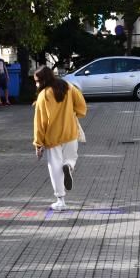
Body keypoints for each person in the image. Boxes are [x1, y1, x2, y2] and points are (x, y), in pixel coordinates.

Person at [32, 65, 87, 212]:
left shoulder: (43, 96)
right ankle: (69, 166)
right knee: (71, 157)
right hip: (70, 132)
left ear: (43, 80)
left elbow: (39, 122)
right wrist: (76, 113)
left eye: (37, 81)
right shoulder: (68, 87)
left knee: (55, 167)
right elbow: (81, 105)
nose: (36, 84)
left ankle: (60, 200)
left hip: (52, 137)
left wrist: (38, 143)